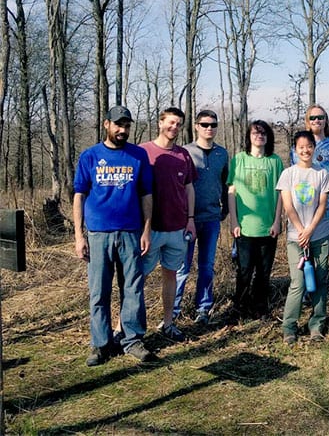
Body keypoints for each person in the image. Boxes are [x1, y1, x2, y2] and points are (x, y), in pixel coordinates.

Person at [73, 106, 155, 364]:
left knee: (132, 288)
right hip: (98, 234)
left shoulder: (138, 156)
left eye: (127, 125)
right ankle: (100, 343)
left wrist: (146, 229)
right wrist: (79, 235)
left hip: (131, 232)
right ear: (106, 124)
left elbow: (146, 195)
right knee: (99, 291)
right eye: (118, 125)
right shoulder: (90, 156)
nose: (123, 130)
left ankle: (132, 340)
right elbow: (79, 195)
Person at [140, 107, 198, 342]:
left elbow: (189, 187)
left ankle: (168, 323)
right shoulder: (143, 152)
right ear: (160, 123)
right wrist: (142, 227)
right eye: (171, 123)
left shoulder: (183, 155)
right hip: (150, 230)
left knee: (171, 275)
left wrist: (190, 220)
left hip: (177, 229)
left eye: (179, 124)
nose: (174, 128)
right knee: (137, 278)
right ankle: (127, 326)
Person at [173, 110, 229, 326]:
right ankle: (174, 310)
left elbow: (225, 183)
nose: (209, 128)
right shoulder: (185, 152)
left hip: (212, 217)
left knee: (207, 265)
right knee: (182, 267)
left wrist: (224, 208)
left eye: (213, 124)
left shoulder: (222, 154)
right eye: (204, 124)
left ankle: (203, 308)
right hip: (187, 220)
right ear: (196, 126)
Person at [291, 105, 329, 303]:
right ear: (307, 121)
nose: (317, 120)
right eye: (312, 117)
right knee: (309, 253)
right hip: (307, 209)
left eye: (321, 117)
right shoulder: (298, 147)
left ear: (326, 120)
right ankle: (309, 292)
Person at [277, 131, 329, 344]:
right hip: (295, 238)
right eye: (301, 147)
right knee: (298, 282)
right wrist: (301, 230)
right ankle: (289, 327)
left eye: (309, 146)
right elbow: (288, 206)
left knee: (319, 281)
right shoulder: (288, 174)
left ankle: (317, 325)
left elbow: (323, 205)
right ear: (295, 149)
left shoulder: (322, 174)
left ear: (314, 148)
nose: (305, 150)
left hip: (320, 235)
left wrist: (310, 230)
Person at [227, 120, 284, 319]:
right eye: (255, 133)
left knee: (263, 271)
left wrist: (277, 221)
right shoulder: (239, 160)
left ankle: (260, 308)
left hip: (268, 227)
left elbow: (280, 194)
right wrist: (234, 221)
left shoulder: (275, 161)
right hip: (244, 227)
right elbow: (231, 192)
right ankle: (240, 308)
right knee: (244, 271)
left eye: (263, 134)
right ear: (248, 137)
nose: (259, 136)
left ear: (268, 138)